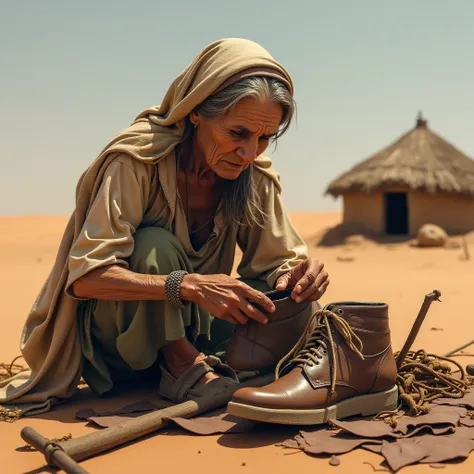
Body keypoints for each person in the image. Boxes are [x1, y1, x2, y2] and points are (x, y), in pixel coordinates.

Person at [0, 38, 329, 415]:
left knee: (292, 304)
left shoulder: (253, 177)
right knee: (154, 247)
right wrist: (187, 286)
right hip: (121, 349)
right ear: (195, 113)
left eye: (264, 138)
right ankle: (180, 366)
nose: (250, 152)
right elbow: (87, 277)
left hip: (203, 338)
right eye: (238, 133)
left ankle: (218, 367)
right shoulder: (136, 163)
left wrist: (299, 278)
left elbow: (278, 264)